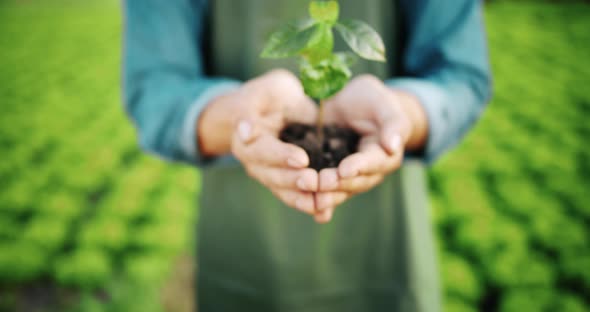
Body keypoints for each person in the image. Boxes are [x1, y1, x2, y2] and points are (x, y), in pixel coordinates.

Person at [123, 0, 491, 311]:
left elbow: (461, 74)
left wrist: (401, 114)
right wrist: (236, 117)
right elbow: (155, 88)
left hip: (385, 246)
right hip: (243, 242)